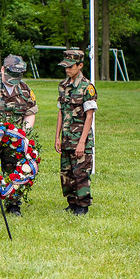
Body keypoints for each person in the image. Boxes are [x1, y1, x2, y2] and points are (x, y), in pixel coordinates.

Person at [0, 54, 39, 217]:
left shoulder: (25, 89)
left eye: (18, 75)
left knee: (14, 169)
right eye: (12, 74)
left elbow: (30, 112)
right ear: (3, 69)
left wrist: (24, 132)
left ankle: (13, 204)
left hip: (14, 139)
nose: (14, 79)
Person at [54, 49, 97, 215]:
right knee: (67, 173)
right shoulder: (63, 86)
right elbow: (61, 112)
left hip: (80, 138)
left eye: (70, 67)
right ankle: (71, 203)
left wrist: (82, 142)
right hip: (66, 138)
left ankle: (82, 206)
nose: (67, 70)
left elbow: (89, 116)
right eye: (65, 67)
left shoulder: (87, 87)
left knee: (81, 173)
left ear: (80, 65)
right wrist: (57, 136)